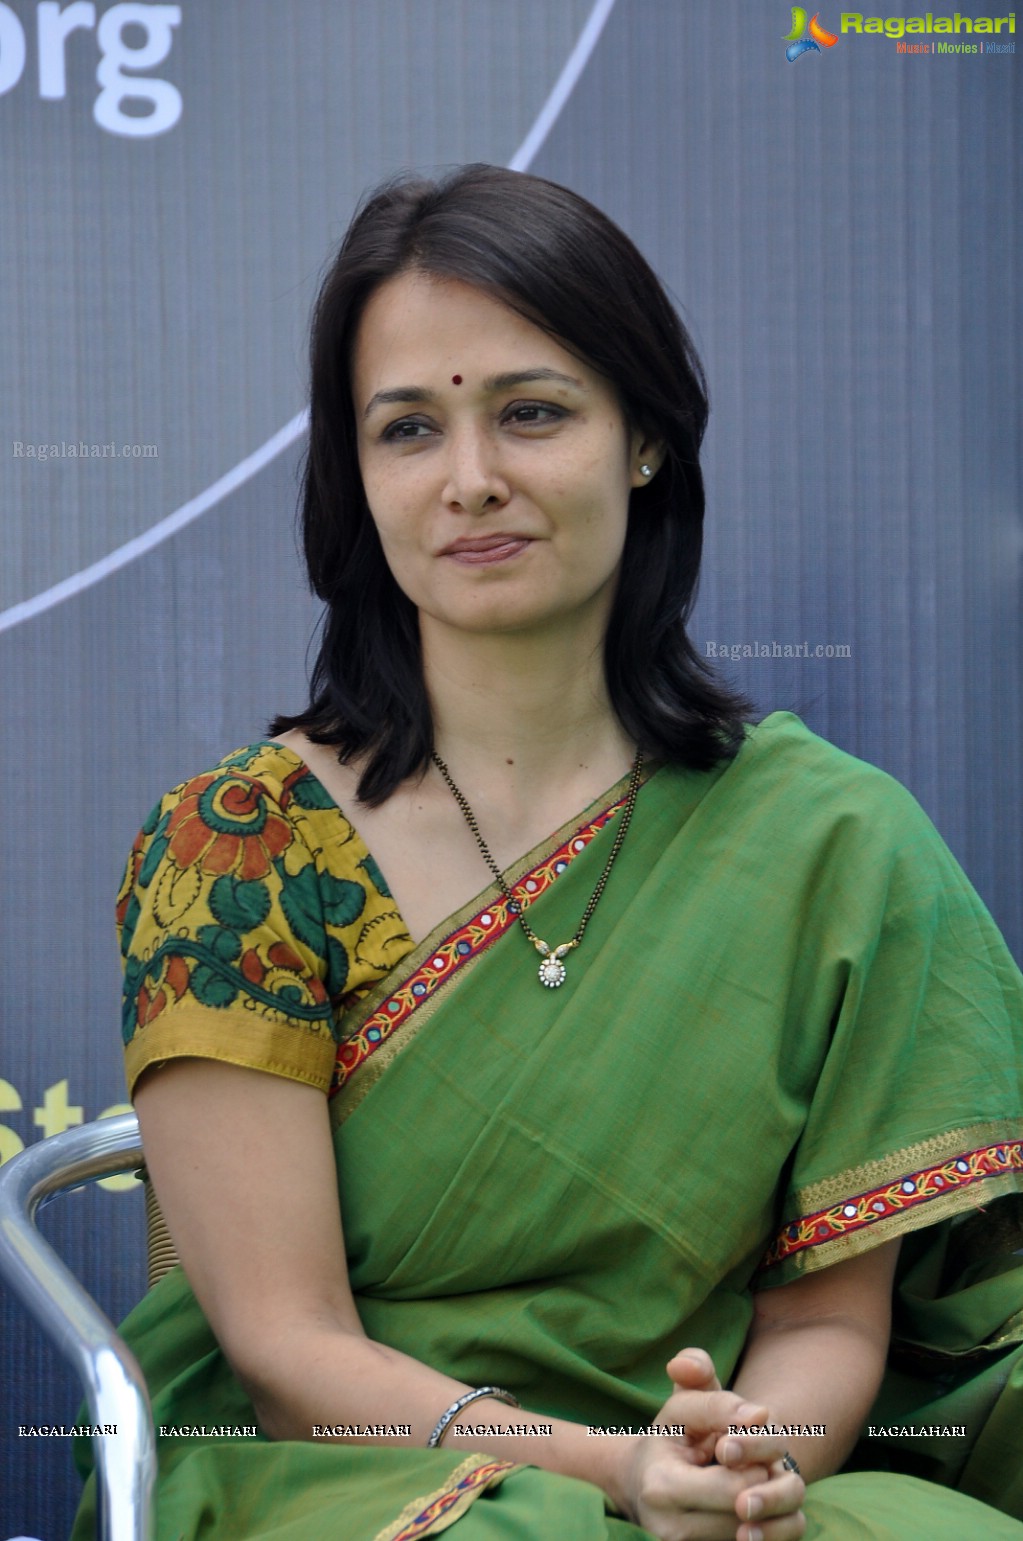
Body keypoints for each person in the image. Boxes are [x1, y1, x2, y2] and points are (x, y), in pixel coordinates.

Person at [73, 165, 1023, 1540]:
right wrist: (611, 1472)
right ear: (361, 476)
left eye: (531, 412)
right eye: (408, 429)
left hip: (730, 1469)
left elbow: (822, 1313)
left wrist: (740, 1465)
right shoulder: (241, 846)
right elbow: (286, 1352)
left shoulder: (831, 838)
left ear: (643, 439)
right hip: (360, 1470)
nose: (472, 481)